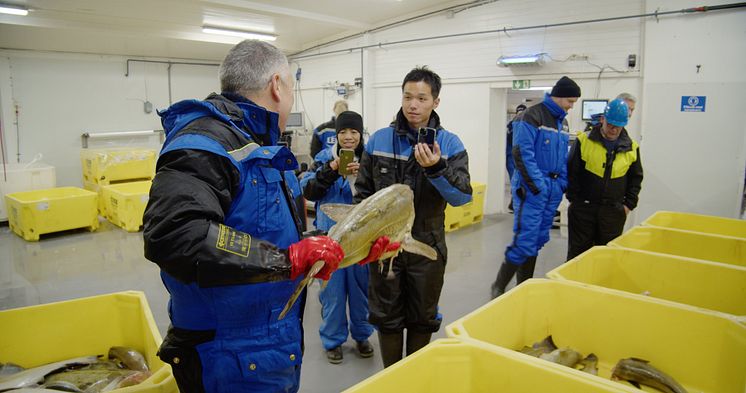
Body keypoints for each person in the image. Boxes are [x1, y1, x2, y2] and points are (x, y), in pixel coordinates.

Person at [141, 40, 350, 393]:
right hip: (226, 358)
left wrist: (351, 245)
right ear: (277, 85)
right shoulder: (203, 144)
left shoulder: (262, 148)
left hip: (268, 348)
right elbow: (176, 233)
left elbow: (269, 230)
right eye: (292, 91)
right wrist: (285, 260)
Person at [355, 66, 473, 368]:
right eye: (408, 96)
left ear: (435, 101)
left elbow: (461, 197)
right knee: (387, 319)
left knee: (423, 318)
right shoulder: (378, 140)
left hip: (426, 244)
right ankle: (393, 379)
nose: (413, 105)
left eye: (422, 98)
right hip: (384, 248)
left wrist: (435, 169)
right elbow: (363, 196)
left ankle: (414, 379)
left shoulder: (449, 145)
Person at [491, 76, 581, 299]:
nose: (572, 106)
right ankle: (499, 286)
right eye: (570, 101)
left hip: (551, 191)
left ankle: (524, 287)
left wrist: (561, 184)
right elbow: (522, 154)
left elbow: (562, 158)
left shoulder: (563, 122)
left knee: (538, 240)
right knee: (525, 241)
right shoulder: (530, 117)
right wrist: (538, 187)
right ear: (559, 96)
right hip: (532, 191)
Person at [300, 110, 374, 364]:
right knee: (331, 292)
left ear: (360, 134)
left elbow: (377, 197)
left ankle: (362, 335)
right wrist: (332, 170)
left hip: (360, 241)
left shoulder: (370, 160)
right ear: (336, 135)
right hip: (329, 240)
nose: (349, 137)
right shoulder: (322, 159)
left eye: (354, 131)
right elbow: (308, 190)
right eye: (343, 132)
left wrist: (358, 177)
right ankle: (333, 340)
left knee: (360, 291)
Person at [566, 98, 643, 260]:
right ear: (602, 119)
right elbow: (572, 172)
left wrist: (628, 205)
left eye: (618, 126)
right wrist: (574, 200)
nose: (613, 130)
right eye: (610, 125)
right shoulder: (583, 141)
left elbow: (636, 179)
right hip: (583, 210)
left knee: (606, 257)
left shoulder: (632, 148)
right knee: (577, 256)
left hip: (613, 213)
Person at [506, 104, 527, 212]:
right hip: (511, 156)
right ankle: (514, 203)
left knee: (519, 180)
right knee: (515, 179)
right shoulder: (511, 125)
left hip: (521, 156)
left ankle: (514, 203)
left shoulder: (528, 125)